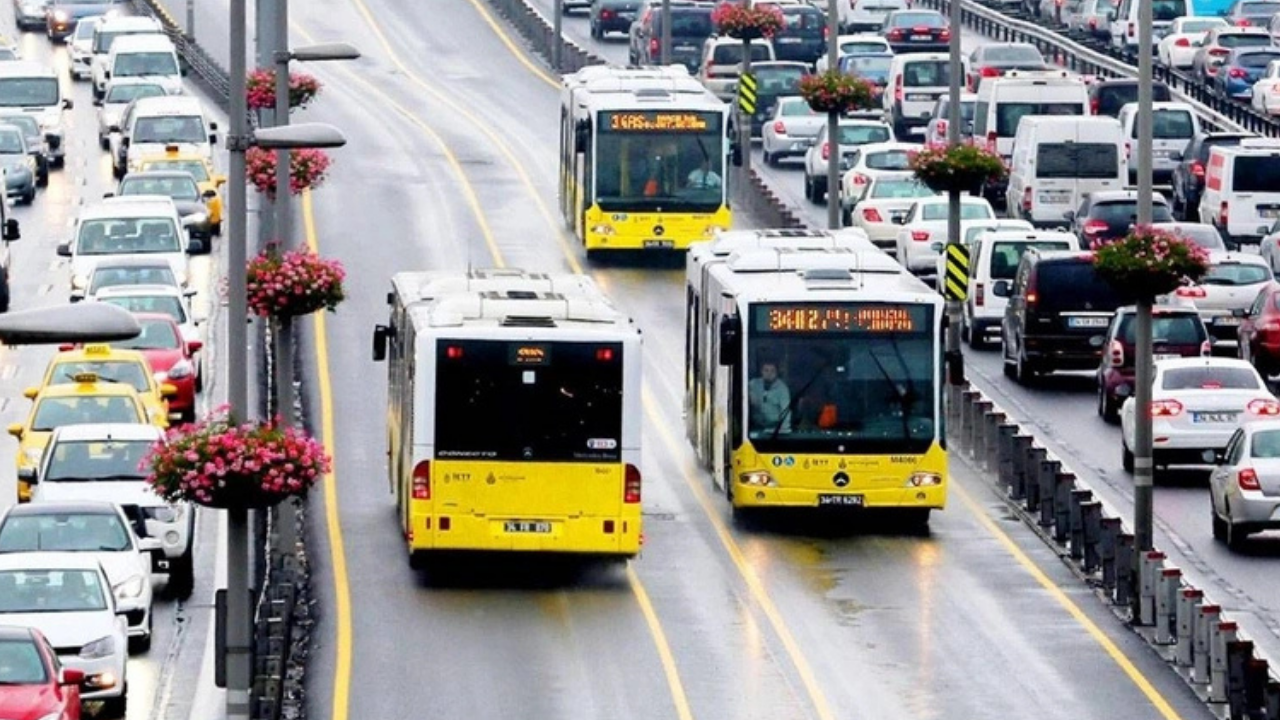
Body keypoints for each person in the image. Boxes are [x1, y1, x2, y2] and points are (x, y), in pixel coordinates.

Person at [749, 361, 791, 433]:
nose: (769, 373)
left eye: (772, 371)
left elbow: (786, 411)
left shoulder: (782, 389)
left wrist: (784, 429)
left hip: (774, 429)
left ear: (777, 373)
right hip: (754, 428)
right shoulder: (753, 384)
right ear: (761, 371)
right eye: (766, 370)